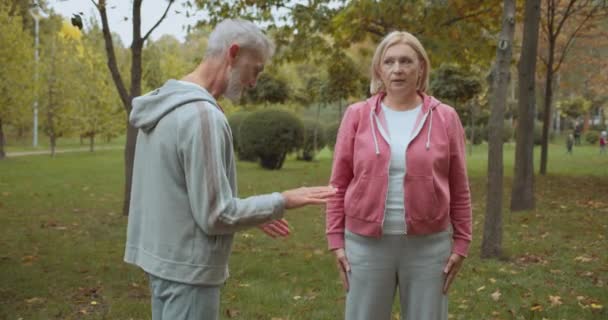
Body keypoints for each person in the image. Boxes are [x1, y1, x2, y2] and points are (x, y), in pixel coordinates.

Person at [124, 19, 335, 320]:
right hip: (190, 275)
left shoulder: (165, 105)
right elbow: (216, 215)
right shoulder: (202, 115)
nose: (253, 82)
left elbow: (178, 193)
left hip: (163, 265)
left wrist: (252, 214)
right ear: (233, 53)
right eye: (255, 69)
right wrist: (283, 200)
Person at [326, 31, 472, 320]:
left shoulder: (445, 117)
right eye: (389, 61)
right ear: (379, 69)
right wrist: (335, 240)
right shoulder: (357, 115)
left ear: (421, 68)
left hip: (429, 247)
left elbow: (459, 186)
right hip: (365, 245)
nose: (397, 69)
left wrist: (462, 242)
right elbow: (338, 183)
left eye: (406, 61)